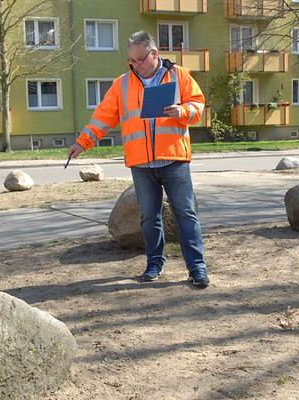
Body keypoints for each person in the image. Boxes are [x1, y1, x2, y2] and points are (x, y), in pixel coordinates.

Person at [68, 31, 209, 288]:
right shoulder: (121, 84)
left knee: (186, 214)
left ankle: (197, 268)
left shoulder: (179, 75)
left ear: (154, 53)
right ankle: (154, 264)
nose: (135, 65)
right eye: (131, 61)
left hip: (174, 158)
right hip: (141, 164)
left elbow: (198, 105)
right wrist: (82, 142)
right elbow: (103, 117)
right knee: (148, 217)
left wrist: (183, 111)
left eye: (140, 59)